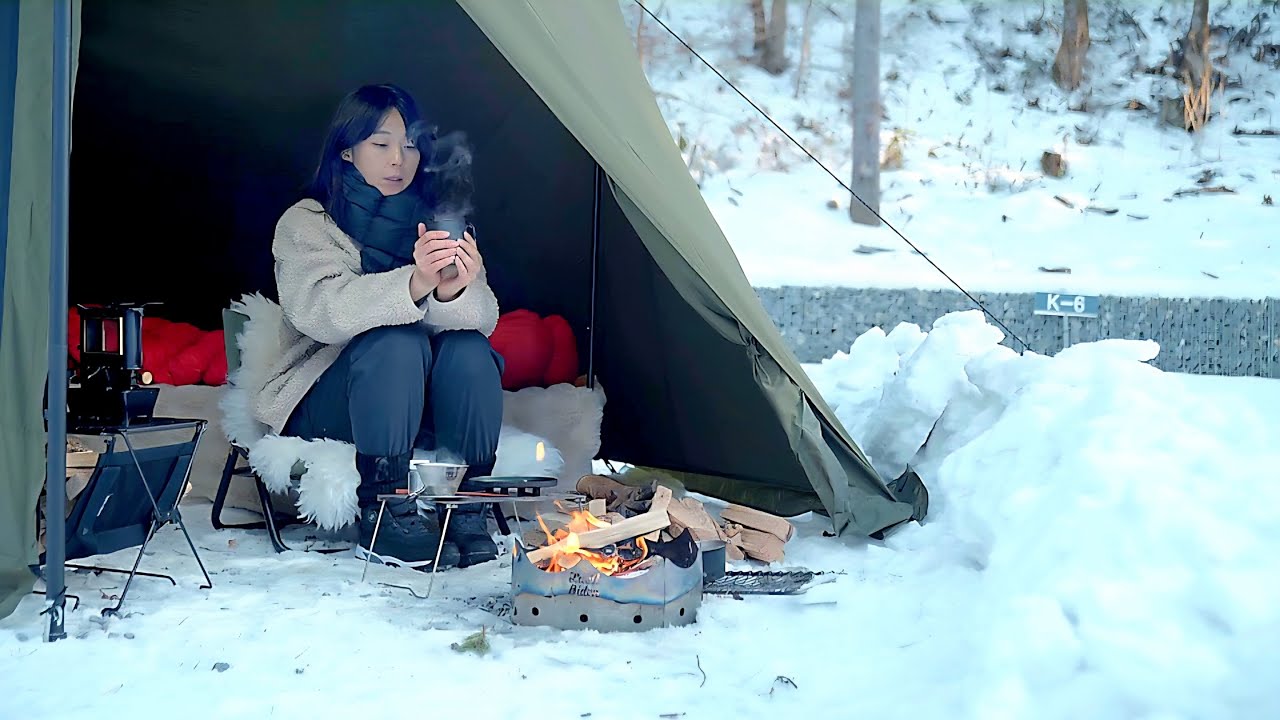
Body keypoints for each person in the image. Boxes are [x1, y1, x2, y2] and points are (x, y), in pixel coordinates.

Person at [256, 84, 503, 570]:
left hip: (419, 400)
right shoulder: (308, 223)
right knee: (394, 338)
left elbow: (484, 315)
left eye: (410, 144)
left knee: (471, 350)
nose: (399, 159)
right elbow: (322, 311)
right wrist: (414, 282)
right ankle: (386, 507)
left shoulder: (438, 225)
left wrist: (450, 290)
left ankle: (466, 501)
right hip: (328, 397)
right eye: (381, 144)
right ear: (347, 150)